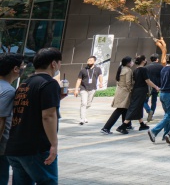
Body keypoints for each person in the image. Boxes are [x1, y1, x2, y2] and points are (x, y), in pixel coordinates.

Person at [6, 48, 64, 185]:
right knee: (48, 182)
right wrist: (54, 145)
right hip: (36, 148)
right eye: (59, 62)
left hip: (15, 146)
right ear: (53, 64)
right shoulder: (49, 83)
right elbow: (48, 116)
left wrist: (56, 99)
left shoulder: (24, 84)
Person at [0, 53, 24, 183]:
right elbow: (1, 120)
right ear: (15, 69)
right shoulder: (8, 91)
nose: (23, 68)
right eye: (22, 66)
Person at [147, 54, 170, 143]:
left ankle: (166, 134)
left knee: (168, 115)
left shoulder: (164, 68)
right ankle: (154, 131)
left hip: (162, 93)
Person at [101, 57, 134, 135]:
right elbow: (128, 83)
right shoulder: (128, 70)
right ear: (128, 63)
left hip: (120, 91)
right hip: (125, 92)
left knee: (124, 109)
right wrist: (131, 90)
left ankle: (126, 125)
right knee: (119, 110)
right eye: (131, 61)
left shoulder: (121, 69)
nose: (132, 63)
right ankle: (106, 127)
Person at [124, 55, 153, 132]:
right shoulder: (143, 69)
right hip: (141, 90)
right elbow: (147, 81)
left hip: (136, 90)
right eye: (145, 59)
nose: (146, 60)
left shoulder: (135, 70)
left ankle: (142, 124)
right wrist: (156, 87)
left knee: (139, 106)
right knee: (134, 107)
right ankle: (123, 125)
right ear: (143, 61)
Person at [73, 55, 103, 125]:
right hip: (84, 88)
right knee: (83, 103)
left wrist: (101, 83)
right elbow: (79, 80)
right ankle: (82, 119)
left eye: (91, 60)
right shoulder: (83, 70)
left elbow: (100, 76)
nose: (89, 62)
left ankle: (84, 115)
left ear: (94, 62)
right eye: (88, 60)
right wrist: (76, 89)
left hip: (92, 89)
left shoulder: (98, 69)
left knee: (88, 104)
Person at [144, 54, 163, 122]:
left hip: (148, 86)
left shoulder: (146, 67)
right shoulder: (161, 67)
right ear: (157, 59)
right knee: (154, 101)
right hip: (157, 86)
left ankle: (148, 110)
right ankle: (151, 114)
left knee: (144, 100)